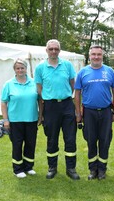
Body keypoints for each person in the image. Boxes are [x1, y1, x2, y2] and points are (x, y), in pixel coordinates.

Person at [34, 39, 80, 180]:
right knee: (52, 139)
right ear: (46, 50)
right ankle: (52, 167)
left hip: (66, 105)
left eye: (56, 49)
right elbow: (39, 89)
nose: (53, 51)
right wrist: (50, 97)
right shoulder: (40, 68)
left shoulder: (67, 65)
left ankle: (71, 168)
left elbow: (73, 85)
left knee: (70, 138)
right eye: (51, 49)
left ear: (59, 50)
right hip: (50, 107)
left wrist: (63, 95)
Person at [74, 45, 114, 180]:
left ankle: (102, 169)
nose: (96, 57)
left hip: (105, 111)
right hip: (89, 112)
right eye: (93, 54)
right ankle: (93, 169)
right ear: (89, 56)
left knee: (105, 141)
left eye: (99, 54)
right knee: (91, 140)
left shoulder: (109, 71)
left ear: (102, 56)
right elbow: (77, 94)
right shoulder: (83, 72)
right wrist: (78, 113)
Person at [1, 59, 40, 178]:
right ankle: (17, 169)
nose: (20, 70)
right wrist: (6, 120)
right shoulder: (9, 84)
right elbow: (3, 103)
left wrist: (41, 115)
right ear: (14, 70)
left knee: (30, 144)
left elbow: (40, 100)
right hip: (15, 120)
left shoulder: (34, 83)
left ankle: (28, 167)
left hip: (31, 119)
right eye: (17, 68)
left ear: (26, 68)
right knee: (17, 144)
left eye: (22, 67)